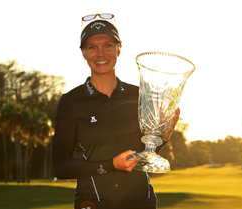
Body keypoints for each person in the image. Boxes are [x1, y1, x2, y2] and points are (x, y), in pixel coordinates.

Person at [53, 13, 180, 209]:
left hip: (141, 202)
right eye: (92, 47)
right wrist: (111, 165)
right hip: (93, 203)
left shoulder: (139, 95)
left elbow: (143, 154)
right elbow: (61, 167)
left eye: (108, 46)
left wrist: (162, 138)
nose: (101, 54)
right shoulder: (71, 102)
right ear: (84, 53)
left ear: (119, 49)